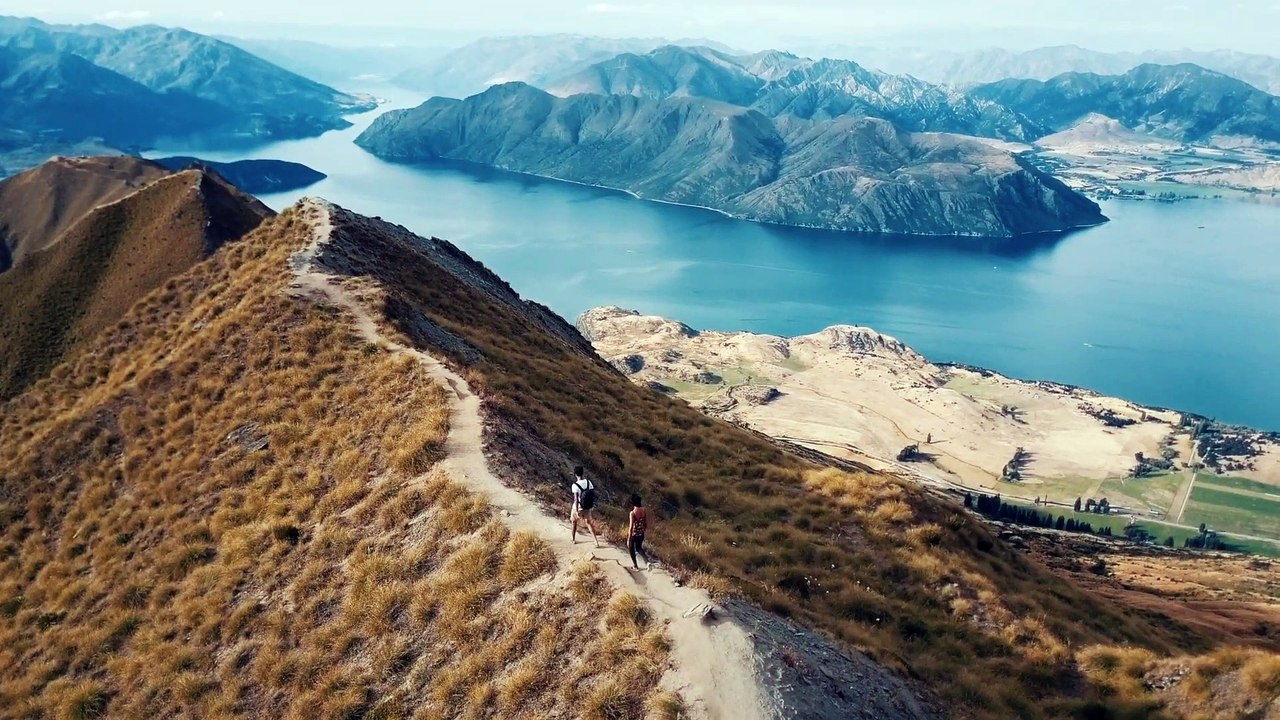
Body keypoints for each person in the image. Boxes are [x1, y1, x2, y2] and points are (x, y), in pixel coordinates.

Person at [569, 465, 600, 547]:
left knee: (574, 523)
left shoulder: (575, 485)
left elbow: (576, 499)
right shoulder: (588, 482)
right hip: (587, 507)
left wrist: (576, 510)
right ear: (583, 473)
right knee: (589, 524)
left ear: (575, 474)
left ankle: (573, 539)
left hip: (579, 507)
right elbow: (592, 493)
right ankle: (596, 541)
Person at [627, 494, 650, 570]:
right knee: (639, 548)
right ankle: (647, 562)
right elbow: (646, 523)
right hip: (641, 533)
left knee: (631, 548)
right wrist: (643, 530)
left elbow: (630, 527)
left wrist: (629, 539)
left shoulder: (632, 513)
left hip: (634, 534)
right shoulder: (644, 510)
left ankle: (635, 565)